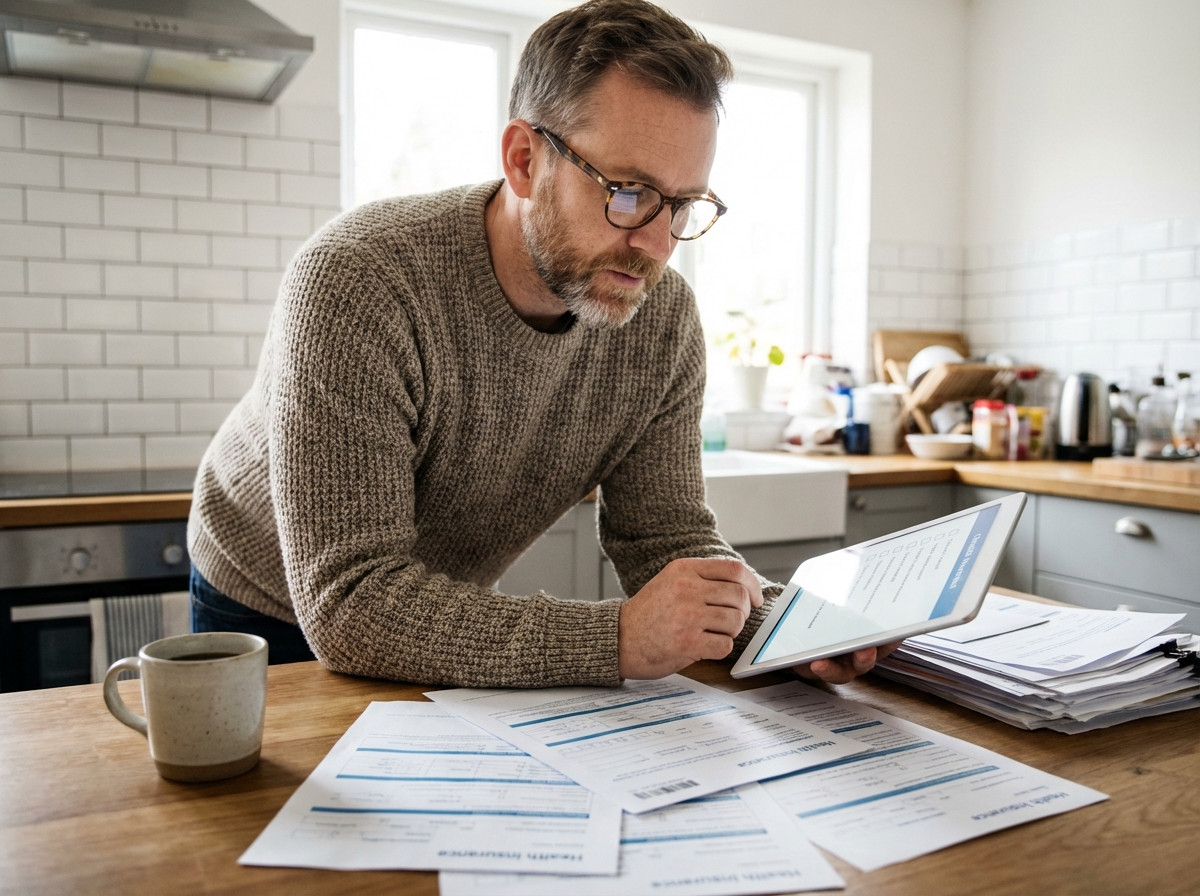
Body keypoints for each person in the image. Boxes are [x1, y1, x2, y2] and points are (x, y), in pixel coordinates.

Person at [187, 0, 895, 687]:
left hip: (422, 602)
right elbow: (351, 604)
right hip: (270, 596)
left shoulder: (662, 318)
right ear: (525, 160)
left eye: (681, 205)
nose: (654, 244)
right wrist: (614, 639)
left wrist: (787, 629)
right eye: (627, 191)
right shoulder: (360, 279)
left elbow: (666, 539)